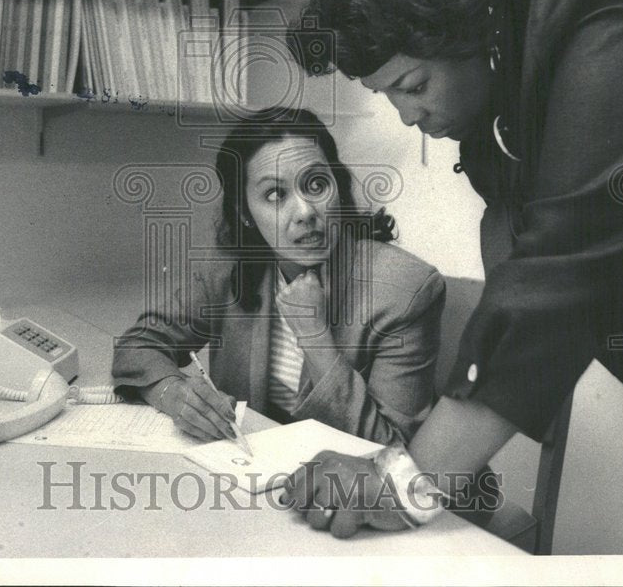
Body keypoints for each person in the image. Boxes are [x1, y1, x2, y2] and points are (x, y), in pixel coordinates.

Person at [280, 0, 623, 553]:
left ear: (473, 22)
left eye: (413, 84)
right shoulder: (500, 103)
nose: (409, 114)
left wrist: (400, 485)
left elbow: (558, 276)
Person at [111, 107, 446, 446]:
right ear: (244, 212)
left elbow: (394, 453)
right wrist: (173, 393)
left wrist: (314, 337)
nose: (305, 212)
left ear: (338, 187)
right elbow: (139, 343)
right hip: (252, 477)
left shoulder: (406, 291)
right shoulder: (226, 269)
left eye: (316, 184)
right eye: (275, 194)